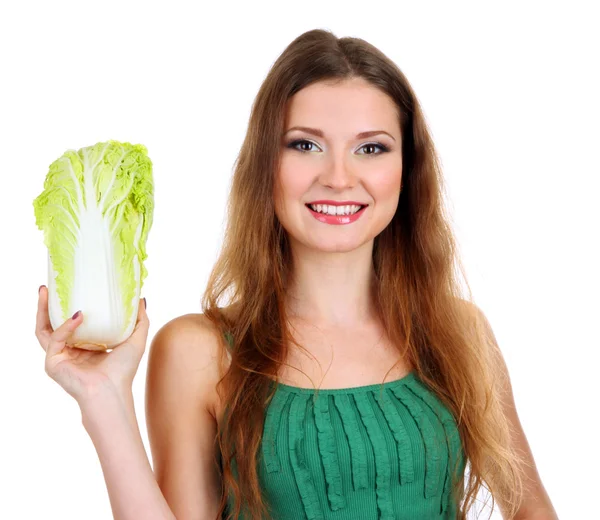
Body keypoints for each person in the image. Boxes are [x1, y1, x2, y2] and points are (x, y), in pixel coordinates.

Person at [35, 29, 558, 520]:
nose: (337, 177)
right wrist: (102, 399)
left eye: (371, 148)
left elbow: (532, 510)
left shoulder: (459, 333)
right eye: (305, 145)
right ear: (266, 164)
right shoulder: (199, 351)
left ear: (407, 169)